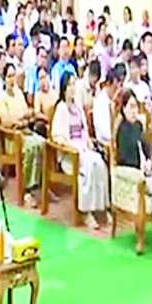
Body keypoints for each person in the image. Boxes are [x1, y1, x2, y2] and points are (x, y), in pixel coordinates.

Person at [50, 74, 109, 229]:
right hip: (70, 154)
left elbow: (84, 130)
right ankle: (85, 212)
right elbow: (57, 136)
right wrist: (71, 146)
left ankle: (100, 207)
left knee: (99, 163)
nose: (73, 88)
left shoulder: (78, 107)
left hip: (83, 148)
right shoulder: (61, 108)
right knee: (88, 167)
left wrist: (88, 142)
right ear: (64, 88)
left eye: (74, 84)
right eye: (70, 85)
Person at [114, 95, 152, 228]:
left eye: (136, 107)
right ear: (124, 109)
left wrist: (149, 161)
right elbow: (123, 158)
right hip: (134, 174)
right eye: (131, 107)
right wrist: (141, 168)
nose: (134, 111)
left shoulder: (138, 126)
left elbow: (146, 149)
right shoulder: (122, 130)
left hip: (146, 171)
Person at [0, 63, 44, 206]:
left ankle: (37, 185)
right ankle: (26, 190)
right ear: (4, 78)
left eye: (13, 76)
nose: (12, 79)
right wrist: (19, 121)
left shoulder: (19, 94)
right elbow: (6, 121)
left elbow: (25, 112)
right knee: (30, 147)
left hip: (25, 130)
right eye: (9, 76)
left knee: (42, 143)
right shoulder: (2, 98)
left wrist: (26, 117)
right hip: (12, 137)